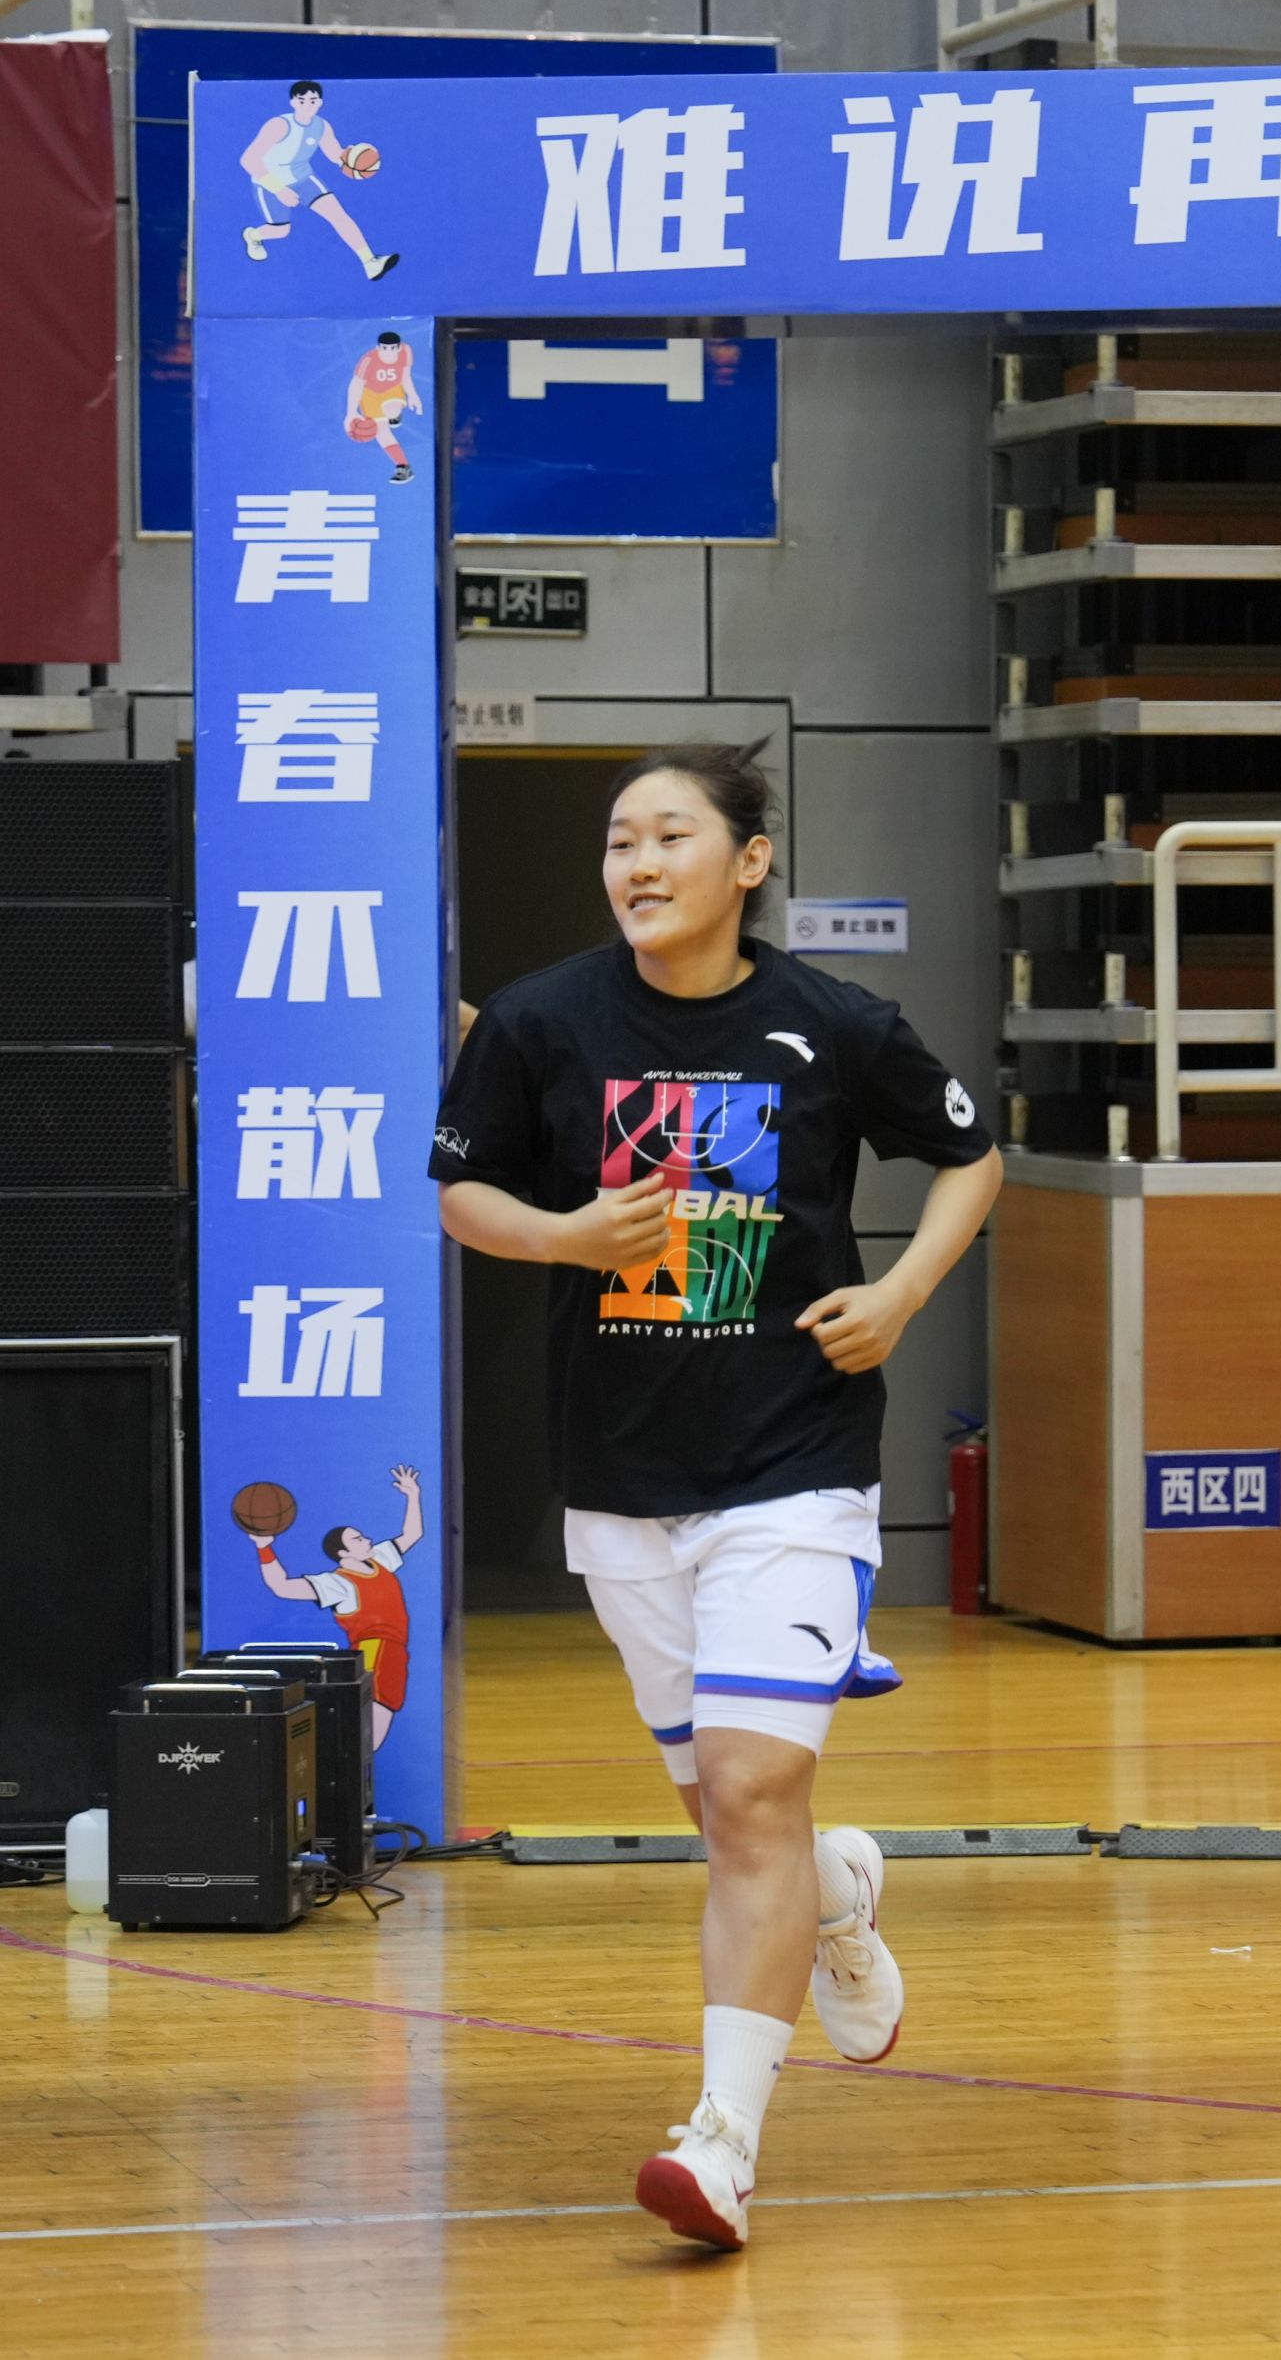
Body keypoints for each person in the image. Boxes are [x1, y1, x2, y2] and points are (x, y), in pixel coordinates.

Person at [428, 739, 1003, 2252]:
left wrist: (901, 1293)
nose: (636, 862)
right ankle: (838, 1892)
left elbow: (971, 1155)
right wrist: (566, 1236)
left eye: (669, 835)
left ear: (746, 862)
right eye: (620, 839)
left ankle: (721, 2140)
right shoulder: (540, 1019)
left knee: (749, 1795)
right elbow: (463, 1190)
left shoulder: (835, 1023)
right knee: (728, 1813)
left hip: (793, 1465)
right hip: (621, 1479)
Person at [247, 1462, 421, 1750]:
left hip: (395, 1652)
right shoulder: (338, 1583)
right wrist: (264, 1547)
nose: (367, 1539)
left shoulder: (379, 1560)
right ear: (343, 1553)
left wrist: (412, 1495)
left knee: (373, 1736)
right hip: (375, 1651)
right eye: (357, 1538)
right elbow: (281, 1586)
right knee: (368, 1736)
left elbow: (412, 1534)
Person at [239, 80, 397, 279]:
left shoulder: (322, 126)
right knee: (281, 231)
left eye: (313, 100)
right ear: (293, 102)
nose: (308, 104)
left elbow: (334, 154)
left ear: (320, 102)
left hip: (304, 178)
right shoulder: (278, 125)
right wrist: (279, 189)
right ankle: (253, 235)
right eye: (302, 100)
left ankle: (370, 262)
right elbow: (248, 160)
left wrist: (352, 157)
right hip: (268, 182)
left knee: (338, 215)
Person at [347, 332, 422, 485]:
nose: (389, 352)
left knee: (392, 411)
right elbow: (356, 385)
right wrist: (351, 412)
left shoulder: (406, 351)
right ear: (378, 348)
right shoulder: (368, 360)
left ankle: (393, 415)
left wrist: (413, 396)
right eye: (385, 348)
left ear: (399, 347)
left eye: (393, 348)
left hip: (393, 389)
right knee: (381, 432)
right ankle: (403, 466)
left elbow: (405, 377)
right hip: (370, 394)